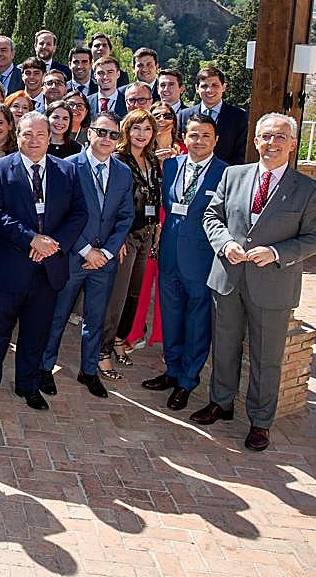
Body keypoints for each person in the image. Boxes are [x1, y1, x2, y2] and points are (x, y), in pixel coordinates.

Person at [193, 113, 316, 450]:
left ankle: (260, 421)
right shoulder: (233, 174)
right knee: (224, 346)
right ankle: (221, 403)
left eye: (280, 137)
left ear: (292, 144)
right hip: (229, 277)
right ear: (255, 141)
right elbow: (212, 215)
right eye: (266, 136)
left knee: (267, 358)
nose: (272, 143)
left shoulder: (308, 189)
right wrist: (225, 242)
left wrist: (276, 252)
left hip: (273, 286)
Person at [0, 112, 88, 416]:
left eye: (40, 134)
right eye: (27, 134)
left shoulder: (68, 171)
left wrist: (52, 244)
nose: (34, 140)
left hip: (47, 271)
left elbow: (79, 214)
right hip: (7, 270)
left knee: (36, 334)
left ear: (50, 137)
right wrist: (31, 239)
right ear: (17, 135)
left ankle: (28, 384)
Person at [38, 112, 134, 400]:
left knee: (96, 317)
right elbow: (59, 215)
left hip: (104, 261)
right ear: (89, 132)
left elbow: (125, 217)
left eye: (113, 135)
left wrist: (105, 252)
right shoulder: (66, 167)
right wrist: (84, 249)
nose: (106, 139)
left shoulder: (123, 172)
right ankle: (45, 368)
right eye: (101, 132)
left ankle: (89, 370)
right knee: (57, 315)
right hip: (71, 256)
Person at [142, 114, 228, 412]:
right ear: (185, 137)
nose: (199, 140)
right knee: (171, 317)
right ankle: (172, 370)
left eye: (206, 135)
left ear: (215, 140)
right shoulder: (172, 165)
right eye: (193, 134)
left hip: (202, 260)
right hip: (169, 255)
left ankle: (188, 381)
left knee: (196, 323)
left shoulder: (226, 173)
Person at [99, 109, 161, 378]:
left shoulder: (153, 161)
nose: (141, 135)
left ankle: (120, 341)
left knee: (135, 295)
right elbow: (111, 204)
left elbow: (155, 198)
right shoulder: (118, 160)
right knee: (117, 296)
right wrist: (117, 237)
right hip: (125, 236)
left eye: (147, 129)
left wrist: (156, 232)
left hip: (147, 234)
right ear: (126, 130)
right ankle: (102, 351)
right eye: (137, 128)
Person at [177, 66, 248, 165]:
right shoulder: (184, 115)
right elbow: (179, 147)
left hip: (225, 174)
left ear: (223, 87)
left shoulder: (239, 116)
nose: (209, 90)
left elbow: (241, 152)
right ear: (197, 88)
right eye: (204, 86)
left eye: (215, 85)